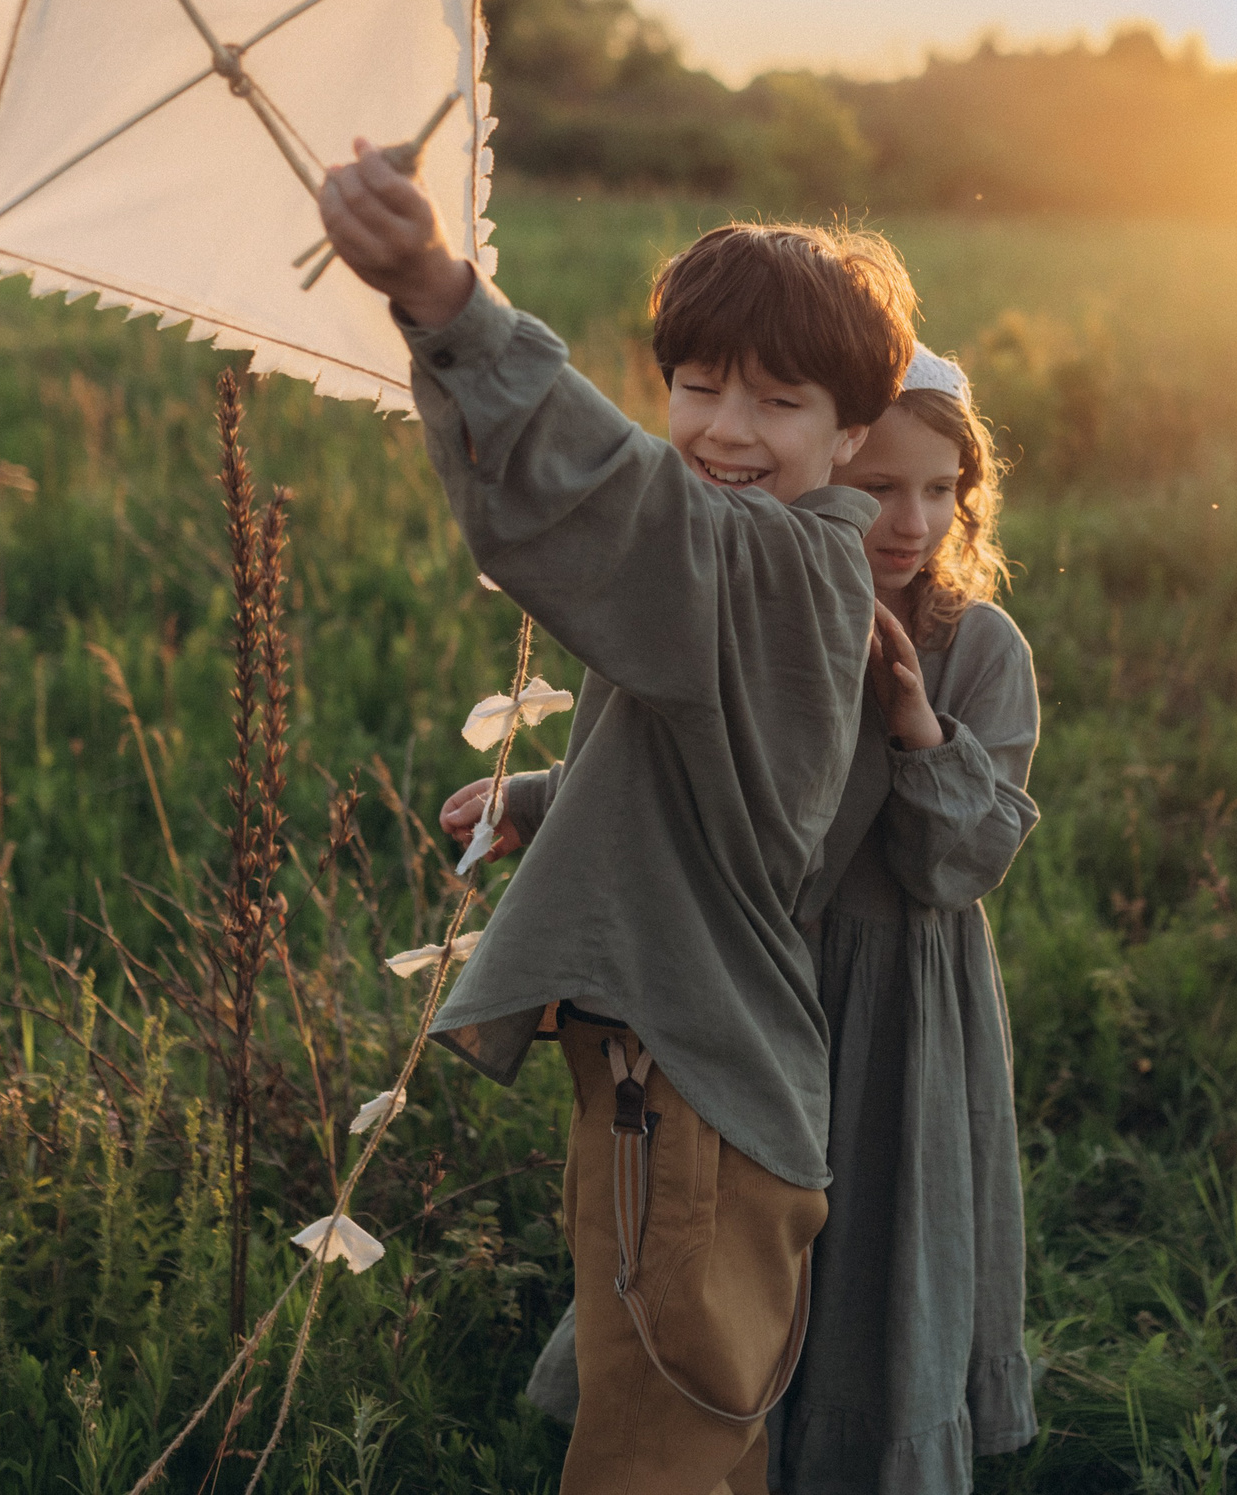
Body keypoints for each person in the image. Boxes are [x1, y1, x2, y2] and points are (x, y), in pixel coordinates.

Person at [317, 144, 913, 1495]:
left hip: (687, 1089)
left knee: (652, 1456)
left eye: (780, 398)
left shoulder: (770, 562)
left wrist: (439, 292)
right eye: (696, 386)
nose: (724, 429)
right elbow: (723, 760)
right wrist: (542, 798)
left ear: (852, 437)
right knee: (700, 1441)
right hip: (686, 1078)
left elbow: (625, 506)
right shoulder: (780, 566)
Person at [512, 347, 1043, 1495]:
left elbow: (959, 863)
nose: (907, 519)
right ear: (836, 467)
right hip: (762, 973)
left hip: (901, 1001)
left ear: (968, 492)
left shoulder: (978, 647)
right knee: (735, 1239)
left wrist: (911, 719)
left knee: (875, 1236)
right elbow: (695, 774)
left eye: (939, 489)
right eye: (883, 485)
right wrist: (531, 801)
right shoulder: (774, 604)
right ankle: (718, 1438)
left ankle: (859, 1454)